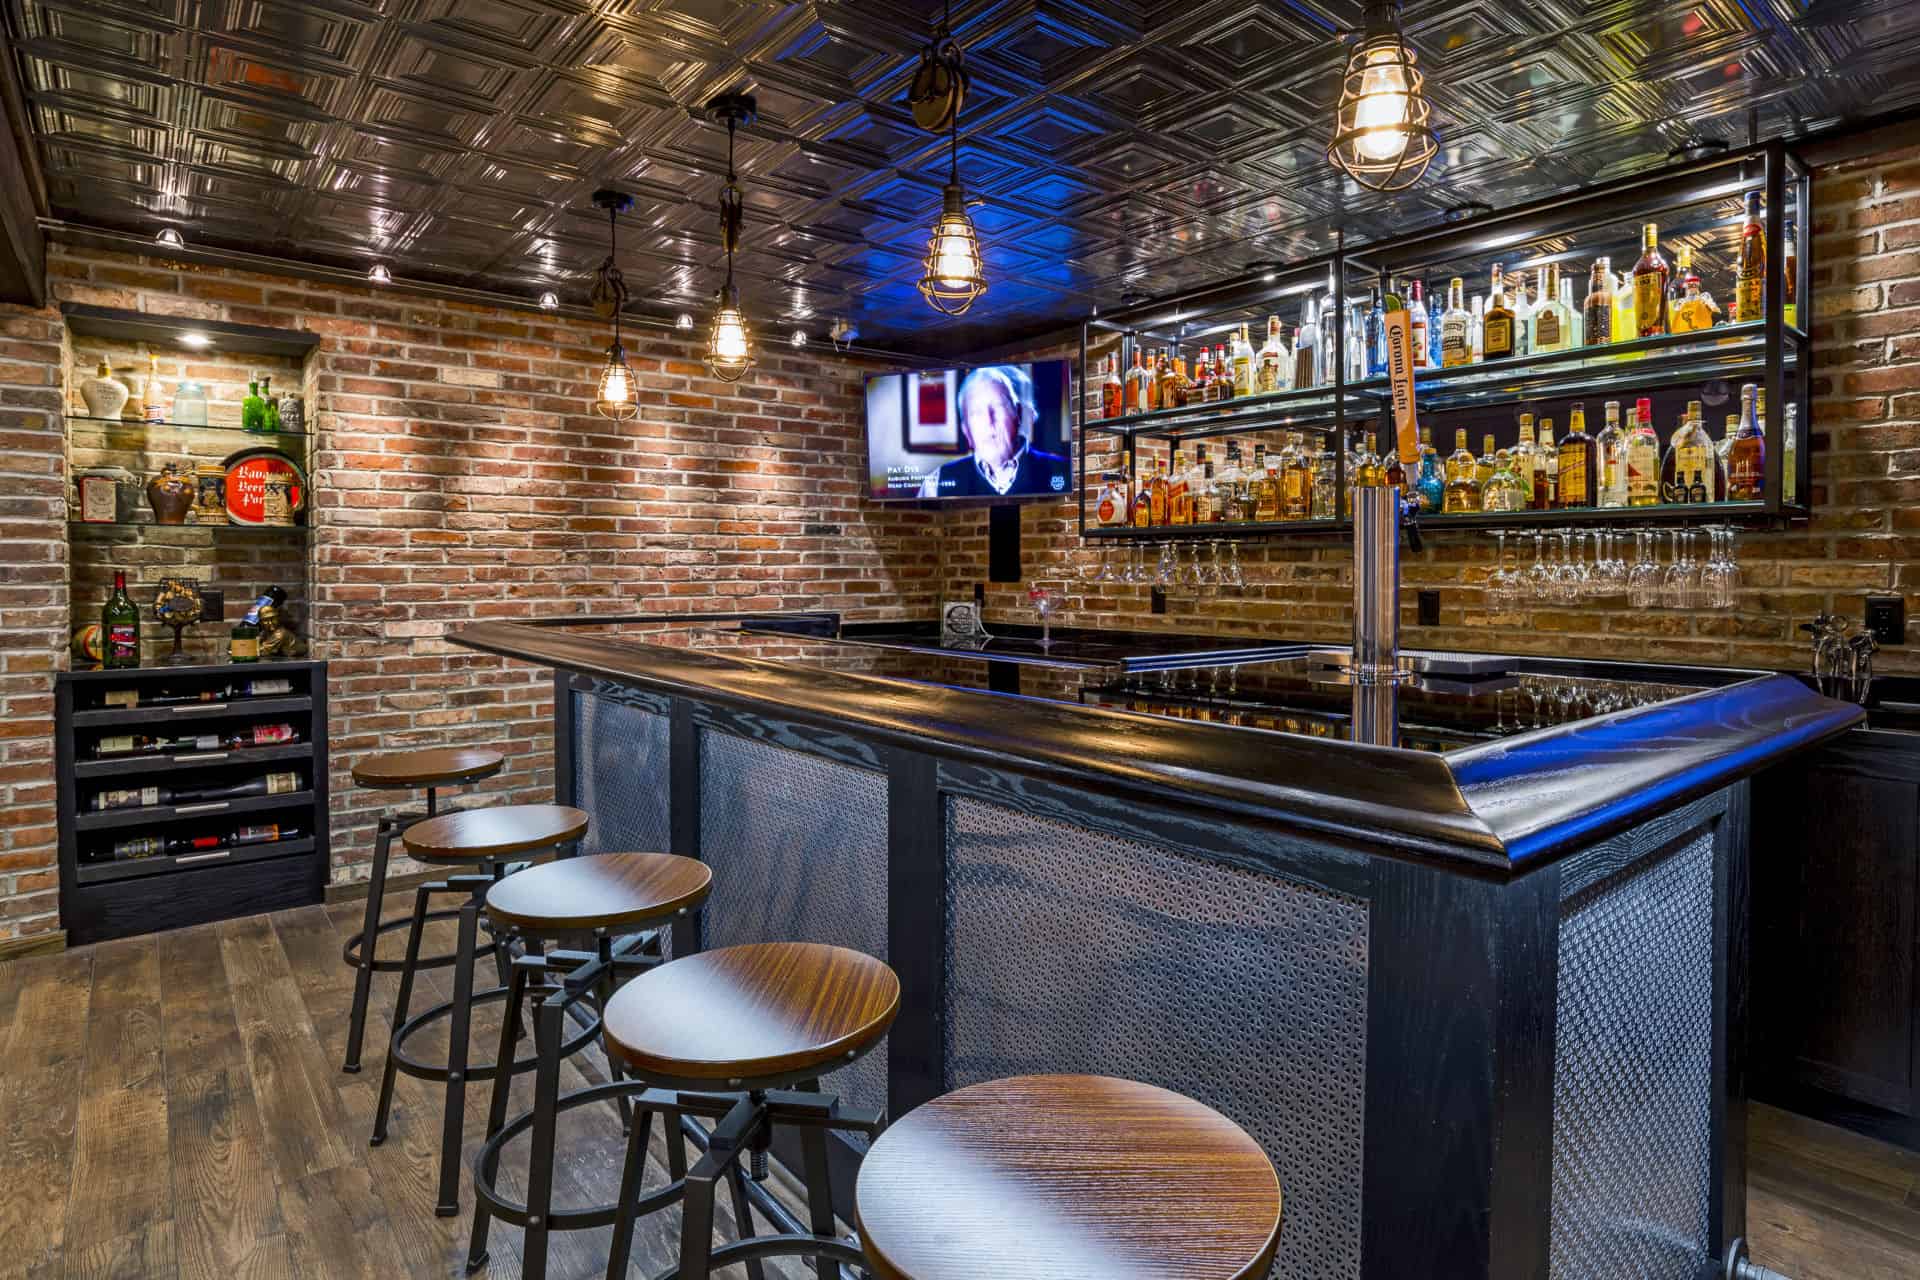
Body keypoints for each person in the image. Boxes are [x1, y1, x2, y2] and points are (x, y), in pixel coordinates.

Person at [922, 365, 1070, 498]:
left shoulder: (1064, 471)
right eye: (976, 412)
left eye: (998, 406)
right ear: (966, 431)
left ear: (1017, 414)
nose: (988, 421)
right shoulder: (936, 483)